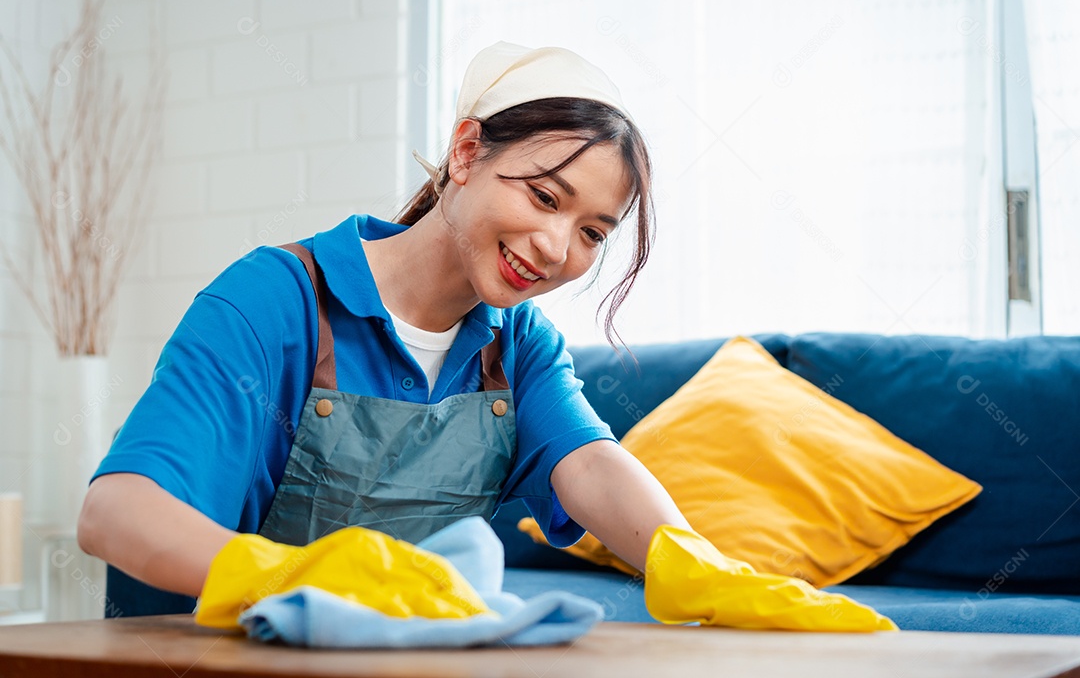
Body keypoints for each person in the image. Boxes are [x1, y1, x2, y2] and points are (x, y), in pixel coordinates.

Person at [77, 41, 693, 612]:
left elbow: (592, 467)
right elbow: (116, 513)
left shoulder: (517, 345)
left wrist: (703, 570)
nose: (558, 248)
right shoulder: (280, 299)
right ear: (467, 151)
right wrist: (301, 579)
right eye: (545, 197)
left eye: (592, 233)